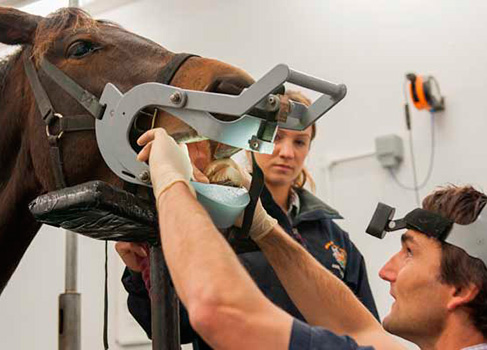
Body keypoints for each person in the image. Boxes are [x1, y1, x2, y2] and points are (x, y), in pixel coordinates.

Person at [133, 127, 487, 349]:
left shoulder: (333, 239)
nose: (386, 270)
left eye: (409, 253)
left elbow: (221, 313)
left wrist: (171, 181)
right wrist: (264, 228)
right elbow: (358, 328)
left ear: (461, 289)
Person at [117, 91, 379, 348]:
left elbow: (369, 333)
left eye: (300, 142)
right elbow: (176, 325)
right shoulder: (213, 218)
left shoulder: (334, 239)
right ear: (252, 139)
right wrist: (141, 274)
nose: (287, 152)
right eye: (276, 137)